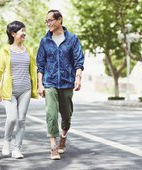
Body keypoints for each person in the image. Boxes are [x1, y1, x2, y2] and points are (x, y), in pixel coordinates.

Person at [36, 10, 84, 160]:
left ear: (59, 20)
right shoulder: (45, 41)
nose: (48, 23)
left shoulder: (72, 39)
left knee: (67, 115)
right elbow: (40, 64)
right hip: (49, 82)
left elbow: (78, 60)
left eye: (50, 20)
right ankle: (53, 147)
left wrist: (78, 78)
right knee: (51, 113)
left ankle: (63, 136)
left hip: (67, 82)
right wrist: (40, 84)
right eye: (46, 21)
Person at [0, 21, 38, 159]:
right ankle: (7, 141)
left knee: (22, 120)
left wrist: (37, 86)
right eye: (21, 31)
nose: (24, 33)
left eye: (24, 30)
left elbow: (33, 70)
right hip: (9, 91)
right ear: (13, 34)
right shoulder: (5, 50)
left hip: (25, 89)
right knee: (12, 118)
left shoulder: (29, 50)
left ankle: (17, 149)